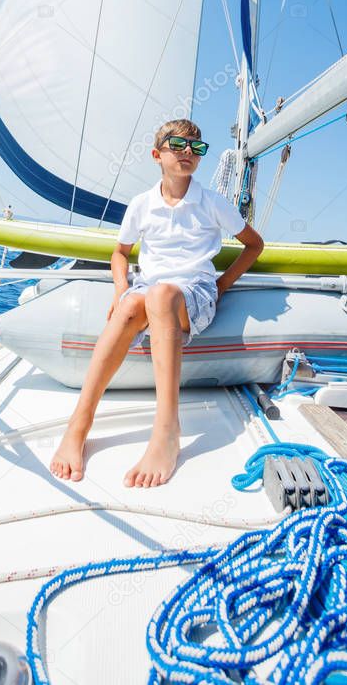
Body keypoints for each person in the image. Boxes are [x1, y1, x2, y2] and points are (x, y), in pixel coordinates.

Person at [50, 118, 265, 488]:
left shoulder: (212, 203)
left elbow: (254, 244)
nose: (188, 153)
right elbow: (120, 253)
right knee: (134, 304)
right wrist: (120, 290)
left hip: (191, 290)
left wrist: (223, 285)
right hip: (148, 286)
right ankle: (79, 424)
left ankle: (166, 431)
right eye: (178, 145)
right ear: (157, 154)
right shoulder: (142, 205)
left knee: (161, 295)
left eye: (196, 149)